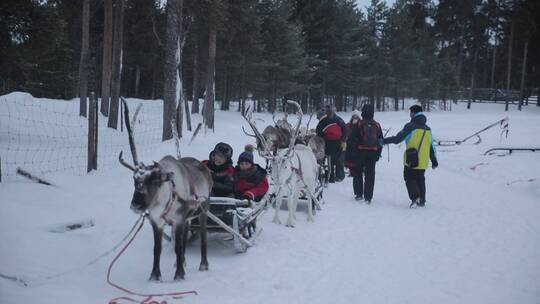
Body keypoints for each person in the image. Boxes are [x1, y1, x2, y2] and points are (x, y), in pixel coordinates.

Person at [382, 105, 438, 208]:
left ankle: (415, 197)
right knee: (420, 179)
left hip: (412, 159)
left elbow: (397, 139)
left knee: (409, 177)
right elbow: (431, 145)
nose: (409, 115)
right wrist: (434, 161)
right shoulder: (428, 129)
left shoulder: (410, 126)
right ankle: (422, 201)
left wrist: (383, 141)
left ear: (413, 113)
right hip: (423, 160)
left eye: (410, 113)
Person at [350, 104, 383, 203]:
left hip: (360, 152)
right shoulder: (377, 125)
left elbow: (351, 139)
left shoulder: (358, 124)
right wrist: (378, 153)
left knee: (357, 173)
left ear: (363, 112)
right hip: (372, 152)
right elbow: (380, 140)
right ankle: (368, 197)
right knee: (370, 175)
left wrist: (353, 151)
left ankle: (359, 194)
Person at [316, 104, 347, 183]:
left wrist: (320, 140)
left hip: (329, 143)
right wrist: (343, 140)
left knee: (331, 160)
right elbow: (345, 130)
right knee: (337, 160)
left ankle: (332, 177)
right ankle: (338, 176)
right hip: (337, 142)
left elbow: (319, 132)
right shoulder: (339, 120)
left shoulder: (324, 120)